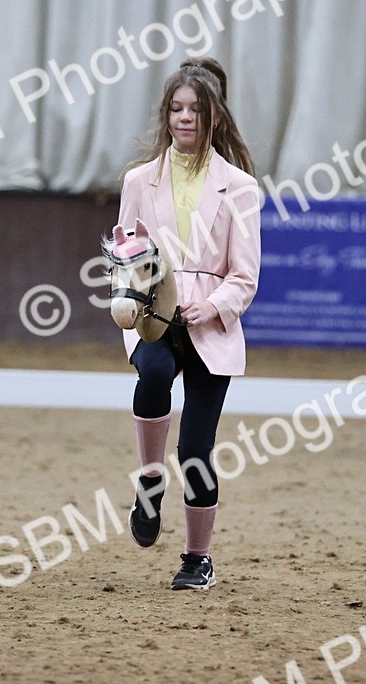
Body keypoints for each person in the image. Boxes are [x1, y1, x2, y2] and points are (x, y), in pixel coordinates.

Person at [114, 57, 261, 590]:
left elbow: (245, 277)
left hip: (211, 323)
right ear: (165, 115)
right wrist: (137, 294)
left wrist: (213, 305)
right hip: (154, 313)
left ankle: (197, 558)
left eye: (195, 110)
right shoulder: (138, 181)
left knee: (196, 451)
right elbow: (125, 248)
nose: (184, 118)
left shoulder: (241, 189)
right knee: (151, 373)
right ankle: (149, 481)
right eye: (176, 109)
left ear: (214, 117)